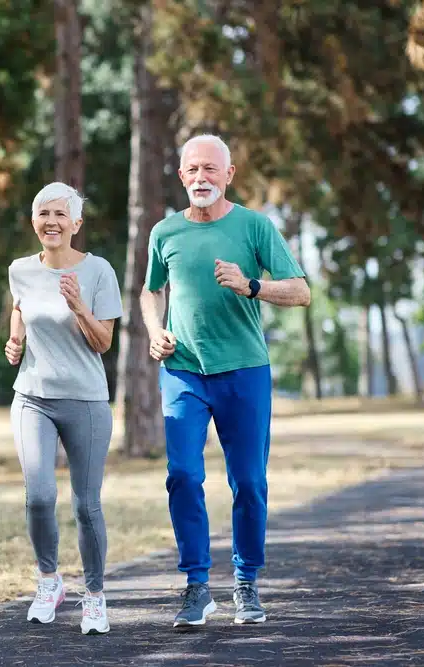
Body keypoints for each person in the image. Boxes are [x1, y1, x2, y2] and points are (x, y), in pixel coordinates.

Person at [140, 135, 311, 628]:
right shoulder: (164, 232)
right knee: (183, 476)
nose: (201, 178)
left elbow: (301, 292)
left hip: (244, 371)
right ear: (181, 176)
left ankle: (246, 583)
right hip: (184, 372)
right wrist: (156, 331)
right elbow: (151, 292)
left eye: (211, 170)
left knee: (249, 483)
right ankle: (196, 586)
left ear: (229, 174)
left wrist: (251, 285)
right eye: (192, 170)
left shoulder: (254, 226)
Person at [5, 181, 124, 635]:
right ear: (34, 221)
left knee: (86, 506)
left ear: (76, 223)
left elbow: (104, 341)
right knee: (38, 497)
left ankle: (94, 596)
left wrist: (77, 306)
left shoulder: (98, 272)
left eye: (60, 214)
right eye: (43, 214)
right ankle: (49, 580)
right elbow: (20, 308)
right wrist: (15, 341)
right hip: (32, 397)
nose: (51, 222)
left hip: (86, 400)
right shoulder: (20, 269)